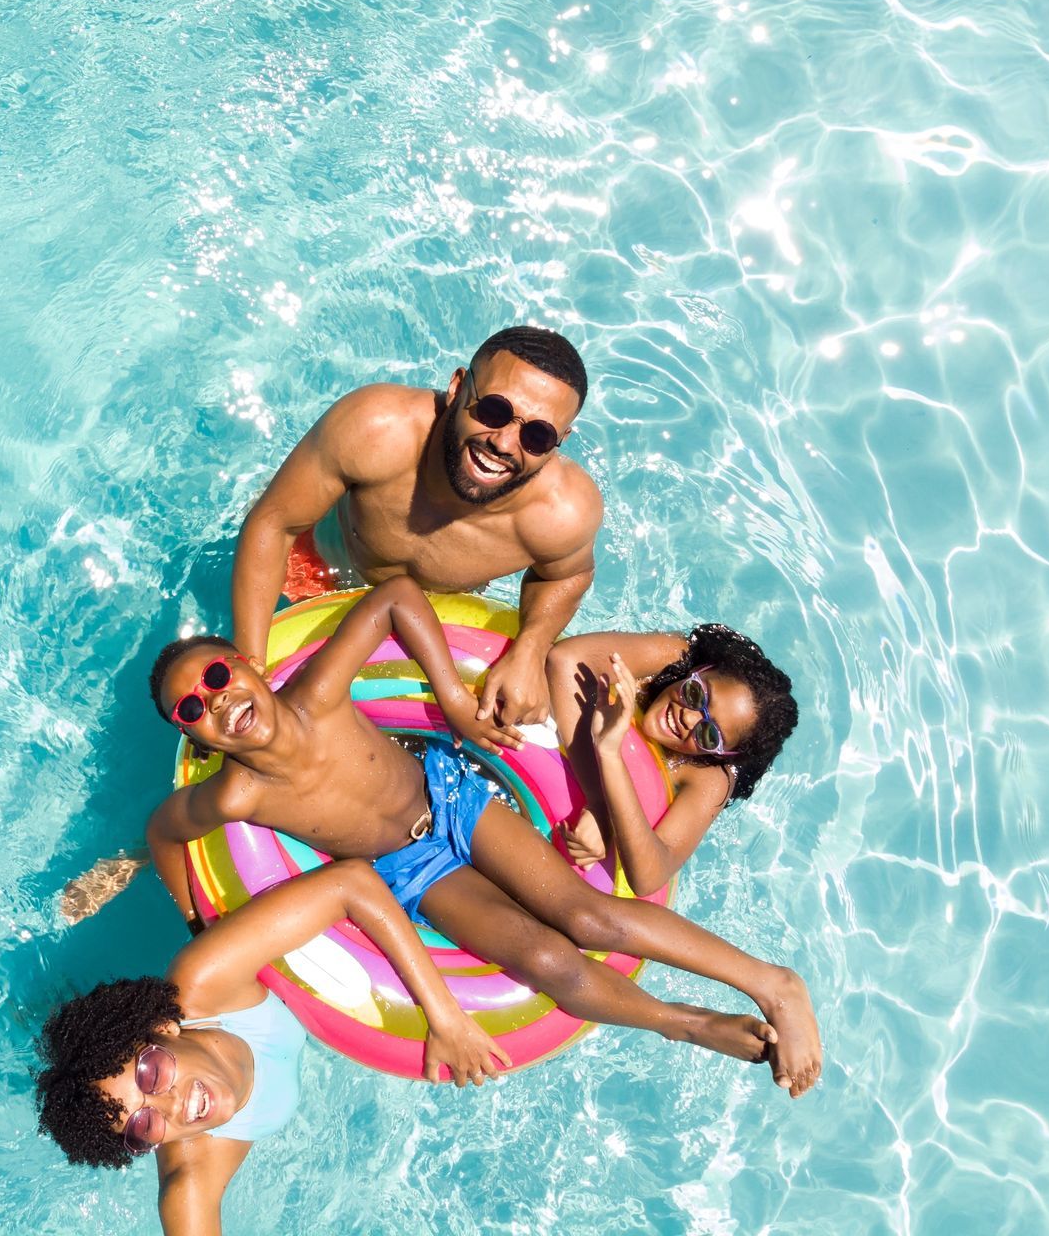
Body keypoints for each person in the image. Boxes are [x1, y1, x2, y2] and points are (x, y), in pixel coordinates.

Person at [144, 576, 822, 1097]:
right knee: (550, 964)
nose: (220, 701)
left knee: (587, 917)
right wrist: (196, 917)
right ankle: (686, 1023)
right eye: (194, 707)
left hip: (453, 796)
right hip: (408, 870)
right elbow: (164, 830)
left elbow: (397, 596)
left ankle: (772, 983)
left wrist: (457, 704)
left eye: (218, 677)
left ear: (251, 665)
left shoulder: (317, 692)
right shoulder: (236, 796)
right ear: (189, 732)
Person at [36, 860, 509, 1236]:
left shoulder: (202, 984)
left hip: (245, 942)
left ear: (163, 1029)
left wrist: (444, 1015)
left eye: (152, 1073)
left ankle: (139, 852)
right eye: (142, 1125)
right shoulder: (192, 1179)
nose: (171, 1105)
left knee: (196, 899)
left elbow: (351, 882)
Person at [232, 325, 602, 730]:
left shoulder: (562, 512)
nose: (504, 444)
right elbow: (276, 523)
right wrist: (248, 663)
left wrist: (530, 648)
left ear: (560, 440)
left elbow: (568, 575)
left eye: (537, 435)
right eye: (494, 410)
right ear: (457, 386)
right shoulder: (377, 429)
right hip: (316, 576)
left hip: (432, 619)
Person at [545, 626, 800, 897]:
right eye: (696, 695)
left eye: (709, 734)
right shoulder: (670, 657)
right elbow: (565, 659)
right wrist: (598, 802)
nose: (688, 718)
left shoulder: (711, 777)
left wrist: (611, 761)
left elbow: (650, 876)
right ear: (699, 671)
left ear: (722, 754)